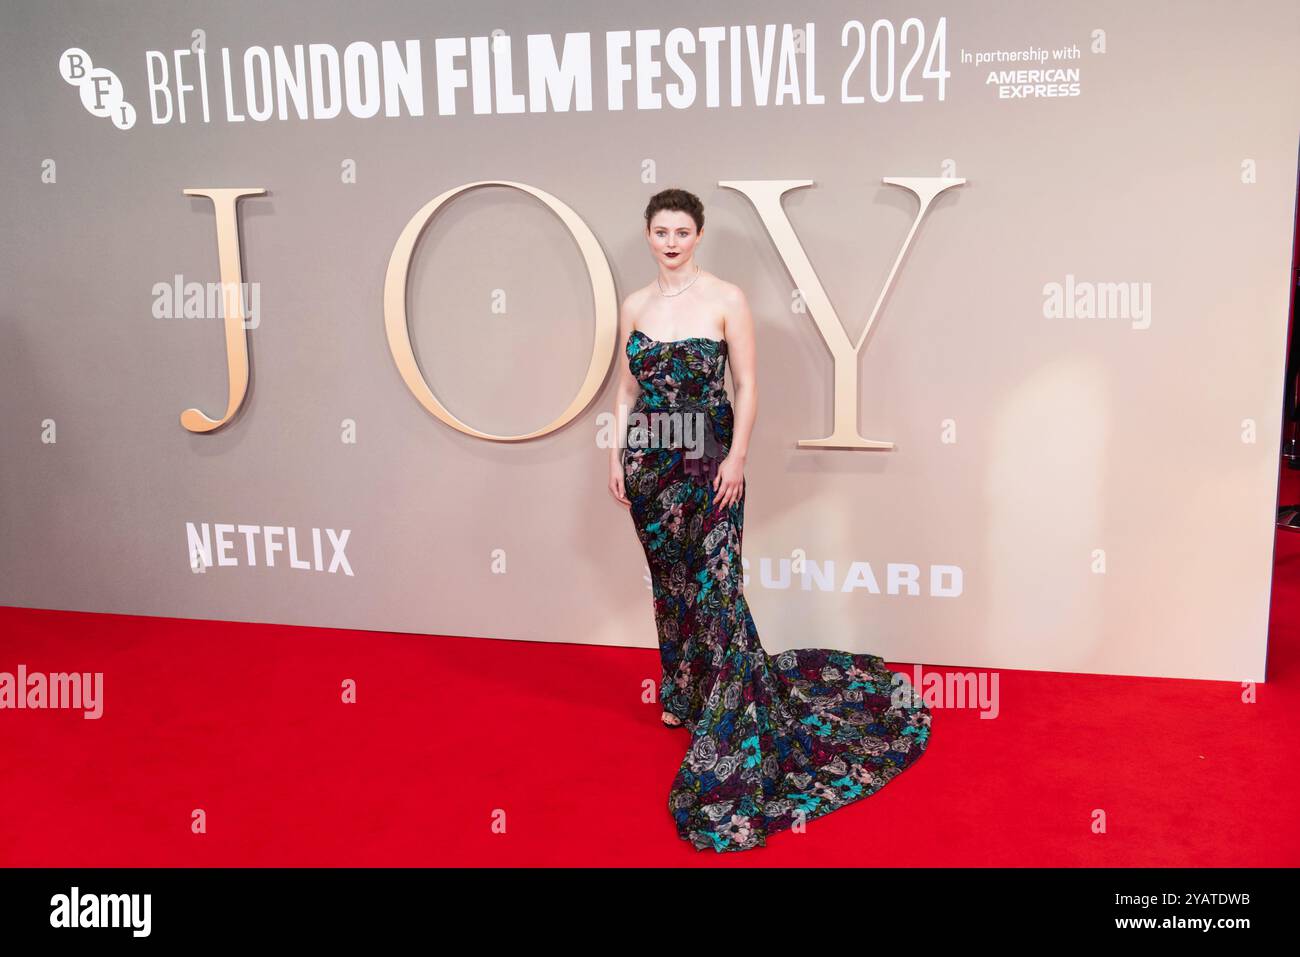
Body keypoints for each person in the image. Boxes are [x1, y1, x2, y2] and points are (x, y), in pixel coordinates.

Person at [607, 188, 933, 853]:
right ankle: (681, 693)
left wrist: (738, 457)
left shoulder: (726, 299)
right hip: (650, 462)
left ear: (698, 236)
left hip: (710, 459)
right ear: (648, 236)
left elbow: (748, 386)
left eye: (682, 230)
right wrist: (617, 453)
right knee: (669, 581)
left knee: (717, 586)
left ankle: (730, 721)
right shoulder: (634, 305)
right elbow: (625, 387)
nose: (671, 240)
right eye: (660, 230)